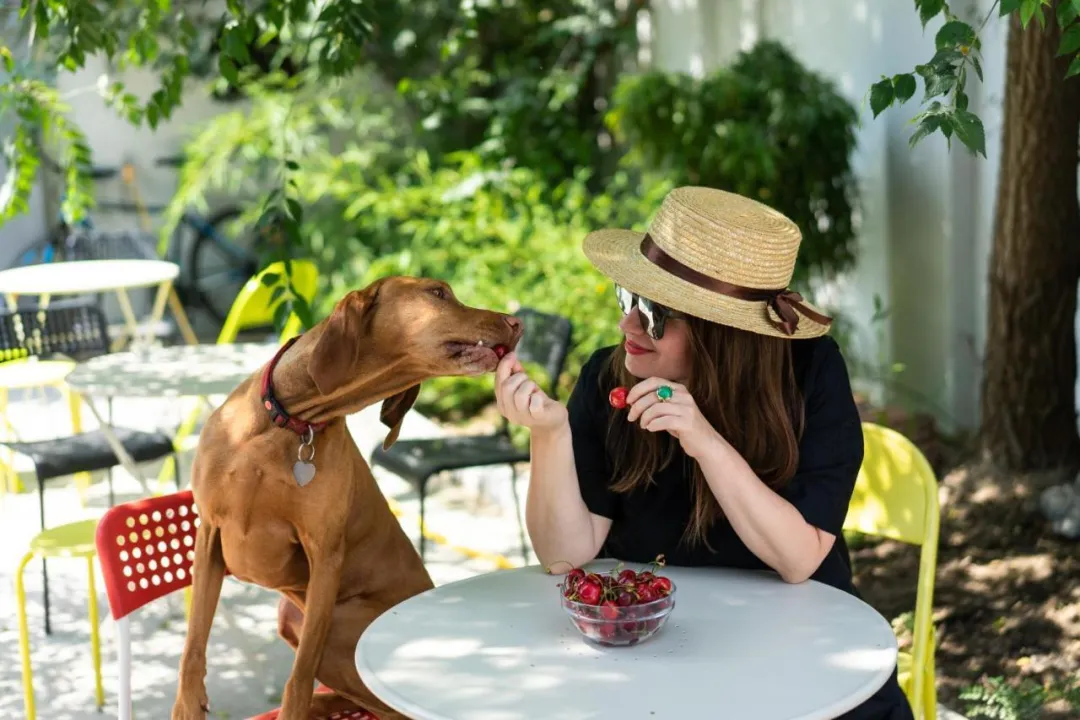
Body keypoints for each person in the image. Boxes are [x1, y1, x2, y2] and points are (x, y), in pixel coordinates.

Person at [494, 186, 915, 719]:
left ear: (722, 333)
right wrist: (549, 435)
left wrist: (705, 440)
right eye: (628, 299)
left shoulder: (808, 375)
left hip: (803, 658)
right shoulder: (608, 377)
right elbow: (564, 556)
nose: (627, 325)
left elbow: (799, 559)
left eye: (652, 313)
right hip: (658, 656)